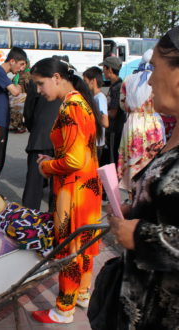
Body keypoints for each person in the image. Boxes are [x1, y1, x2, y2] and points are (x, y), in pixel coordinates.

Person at [104, 27, 179, 329]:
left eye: (154, 69)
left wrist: (140, 236)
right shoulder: (170, 132)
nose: (148, 80)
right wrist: (137, 211)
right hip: (141, 300)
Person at [30, 57, 103, 324]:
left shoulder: (71, 107)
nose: (39, 90)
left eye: (40, 83)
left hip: (73, 190)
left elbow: (72, 160)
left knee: (70, 247)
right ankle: (82, 293)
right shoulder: (81, 103)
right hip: (88, 187)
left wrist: (45, 165)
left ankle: (63, 309)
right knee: (84, 243)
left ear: (57, 78)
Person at [117, 49, 165, 194]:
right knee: (150, 162)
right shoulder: (158, 78)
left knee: (132, 162)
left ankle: (131, 194)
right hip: (152, 123)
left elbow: (123, 104)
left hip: (132, 124)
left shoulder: (128, 80)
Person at [0, 47, 27, 191]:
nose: (21, 69)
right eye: (20, 65)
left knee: (0, 160)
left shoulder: (2, 75)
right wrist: (20, 82)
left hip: (0, 123)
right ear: (12, 61)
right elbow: (15, 91)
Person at [22, 79, 60, 211]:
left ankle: (28, 220)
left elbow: (28, 112)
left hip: (40, 138)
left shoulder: (37, 81)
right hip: (59, 140)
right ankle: (53, 222)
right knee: (57, 187)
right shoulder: (65, 83)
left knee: (33, 185)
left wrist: (35, 129)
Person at [99, 56, 126, 167]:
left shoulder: (117, 88)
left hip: (115, 129)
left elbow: (114, 112)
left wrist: (99, 114)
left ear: (110, 69)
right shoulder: (115, 85)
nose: (103, 71)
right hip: (114, 129)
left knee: (112, 160)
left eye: (104, 68)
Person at [83, 66, 109, 161]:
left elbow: (105, 122)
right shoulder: (94, 97)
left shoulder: (99, 98)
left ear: (93, 81)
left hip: (96, 143)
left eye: (85, 81)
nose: (84, 84)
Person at [9, 60, 30, 133]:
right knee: (14, 111)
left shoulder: (28, 74)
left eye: (24, 64)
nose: (22, 66)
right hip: (16, 96)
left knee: (20, 112)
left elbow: (28, 86)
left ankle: (22, 127)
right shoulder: (18, 74)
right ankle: (16, 126)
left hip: (23, 96)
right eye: (21, 64)